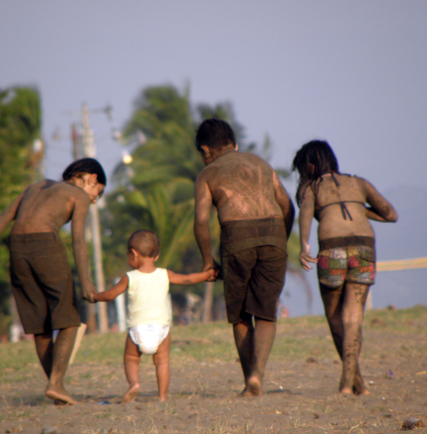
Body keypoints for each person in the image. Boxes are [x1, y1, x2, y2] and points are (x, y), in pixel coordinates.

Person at [0, 158, 106, 405]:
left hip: (16, 248)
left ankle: (57, 389)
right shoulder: (79, 195)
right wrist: (86, 281)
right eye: (99, 192)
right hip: (45, 245)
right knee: (69, 318)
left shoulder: (37, 186)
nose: (95, 199)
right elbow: (77, 240)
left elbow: (5, 215)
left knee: (40, 323)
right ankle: (55, 384)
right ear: (92, 178)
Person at [194, 118, 294, 397]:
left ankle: (248, 380)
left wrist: (207, 260)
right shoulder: (261, 163)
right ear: (233, 143)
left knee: (240, 316)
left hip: (237, 236)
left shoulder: (208, 173)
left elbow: (201, 221)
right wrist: (278, 242)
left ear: (205, 150)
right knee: (266, 313)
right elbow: (287, 205)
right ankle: (258, 376)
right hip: (275, 233)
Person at [292, 140, 398, 395]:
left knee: (334, 317)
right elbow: (390, 214)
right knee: (353, 317)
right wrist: (359, 208)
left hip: (332, 249)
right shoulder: (359, 183)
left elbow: (305, 211)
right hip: (364, 249)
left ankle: (349, 384)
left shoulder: (312, 187)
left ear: (309, 165)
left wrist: (304, 244)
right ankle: (352, 383)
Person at [93, 230, 216, 403]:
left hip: (138, 329)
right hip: (161, 329)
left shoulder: (129, 277)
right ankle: (162, 396)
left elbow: (109, 296)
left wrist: (94, 296)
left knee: (131, 358)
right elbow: (187, 279)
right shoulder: (165, 274)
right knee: (162, 362)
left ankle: (134, 384)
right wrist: (207, 275)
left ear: (134, 254)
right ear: (156, 256)